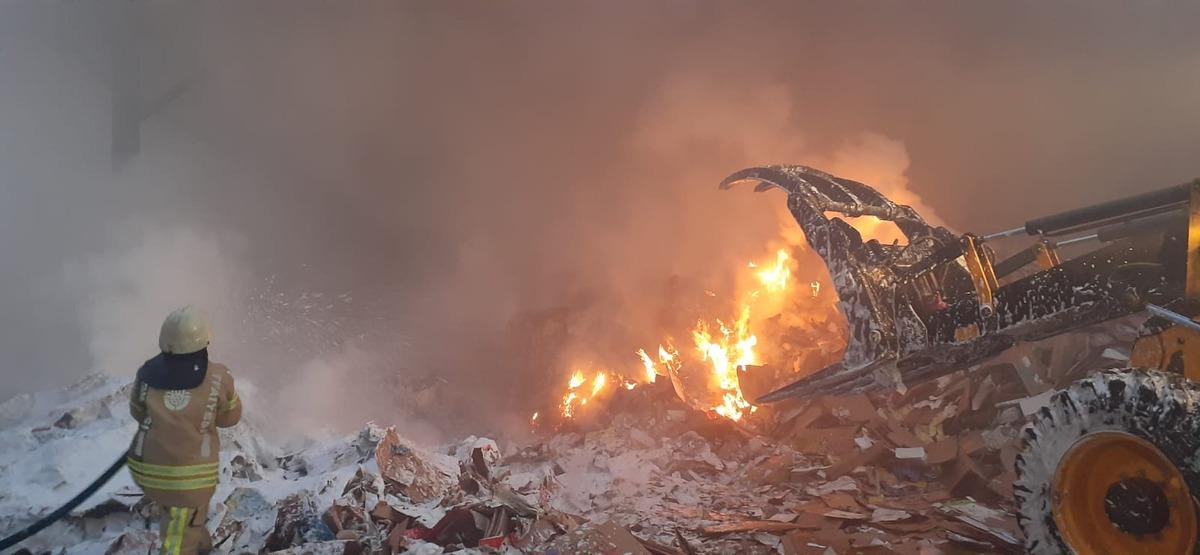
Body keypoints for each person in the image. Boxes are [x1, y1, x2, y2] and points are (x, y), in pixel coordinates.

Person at [127, 306, 241, 555]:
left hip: (145, 468)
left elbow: (137, 411)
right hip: (188, 478)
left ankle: (201, 548)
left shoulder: (147, 372)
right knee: (180, 537)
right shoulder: (219, 377)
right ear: (205, 341)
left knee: (186, 518)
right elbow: (231, 417)